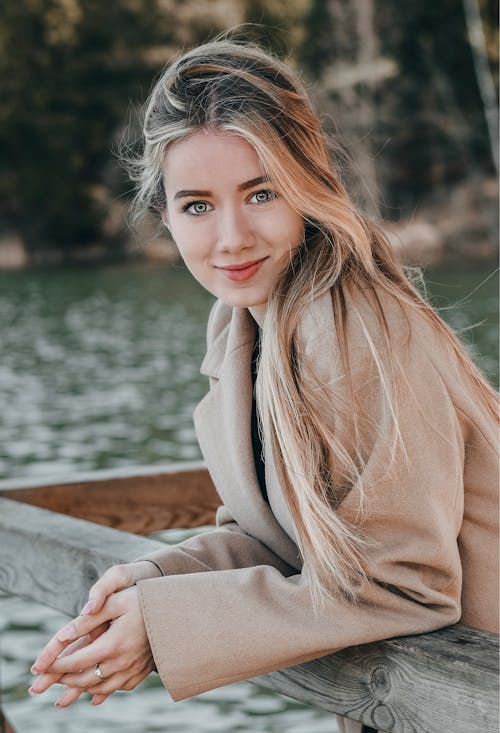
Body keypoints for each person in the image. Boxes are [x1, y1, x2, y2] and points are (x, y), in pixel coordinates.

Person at [29, 39, 499, 733]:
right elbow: (281, 540)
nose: (232, 237)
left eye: (261, 192)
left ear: (308, 187)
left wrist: (169, 627)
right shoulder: (242, 327)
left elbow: (406, 585)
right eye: (197, 205)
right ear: (164, 215)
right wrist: (155, 584)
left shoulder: (364, 330)